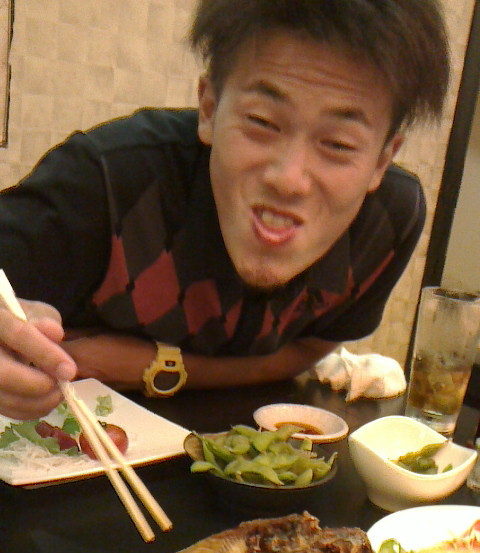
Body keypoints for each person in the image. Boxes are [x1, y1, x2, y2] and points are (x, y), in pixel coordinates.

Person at [0, 0, 450, 420]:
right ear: (210, 108)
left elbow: (311, 349)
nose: (288, 179)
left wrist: (153, 365)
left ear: (382, 160)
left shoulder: (387, 222)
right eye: (262, 122)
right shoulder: (109, 180)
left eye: (338, 144)